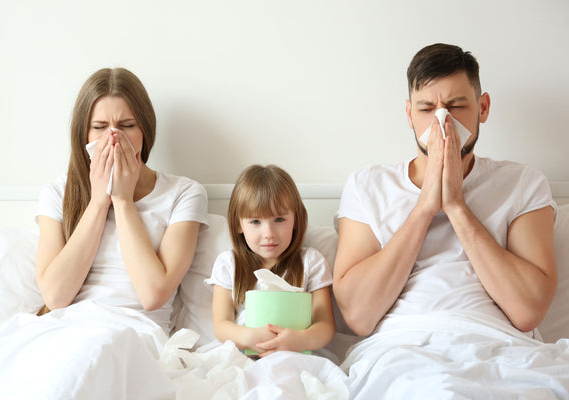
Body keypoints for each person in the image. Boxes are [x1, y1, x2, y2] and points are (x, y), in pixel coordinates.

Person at [333, 43, 557, 338]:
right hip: (400, 346)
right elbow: (359, 316)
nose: (442, 121)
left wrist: (456, 206)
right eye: (426, 109)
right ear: (409, 114)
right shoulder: (367, 186)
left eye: (456, 106)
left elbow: (528, 310)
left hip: (497, 343)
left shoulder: (522, 183)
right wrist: (426, 205)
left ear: (483, 107)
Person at [35, 67, 208, 333]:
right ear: (84, 135)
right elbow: (55, 298)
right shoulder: (57, 193)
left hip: (135, 336)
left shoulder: (185, 193)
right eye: (99, 127)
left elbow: (153, 295)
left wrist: (123, 200)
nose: (113, 137)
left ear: (145, 130)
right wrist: (98, 202)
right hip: (69, 332)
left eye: (127, 126)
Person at [207, 164, 335, 357]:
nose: (269, 234)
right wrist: (250, 337)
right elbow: (221, 325)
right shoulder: (229, 264)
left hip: (294, 357)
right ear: (238, 224)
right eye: (255, 222)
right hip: (242, 359)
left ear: (296, 221)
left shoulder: (311, 262)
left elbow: (325, 325)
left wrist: (299, 340)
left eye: (279, 220)